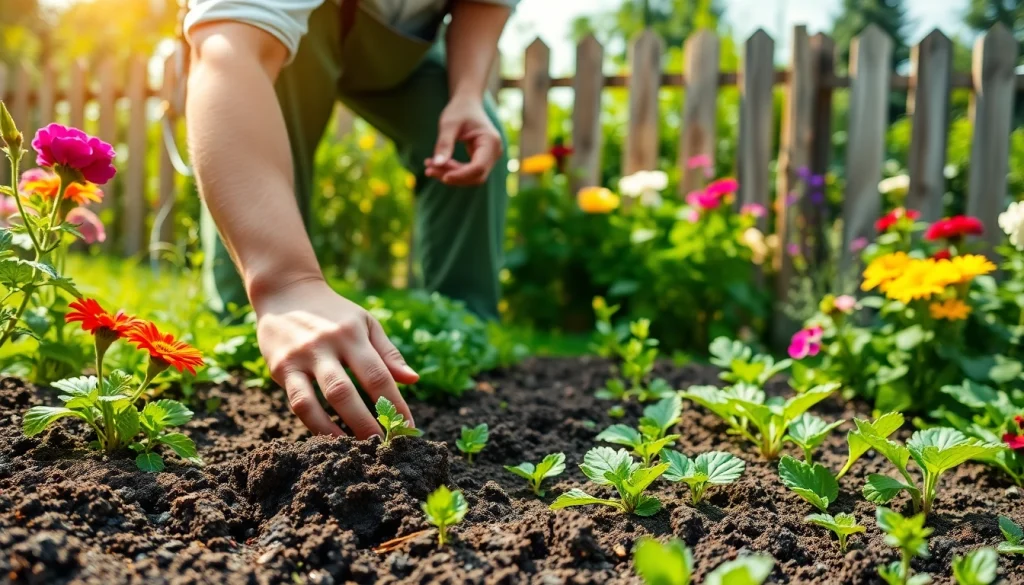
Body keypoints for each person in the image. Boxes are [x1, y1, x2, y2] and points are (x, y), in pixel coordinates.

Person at [183, 0, 515, 439]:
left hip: (402, 45)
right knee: (264, 107)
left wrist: (467, 95)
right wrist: (286, 286)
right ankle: (246, 330)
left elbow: (485, 3)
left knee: (470, 141)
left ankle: (465, 331)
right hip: (297, 34)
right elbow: (232, 51)